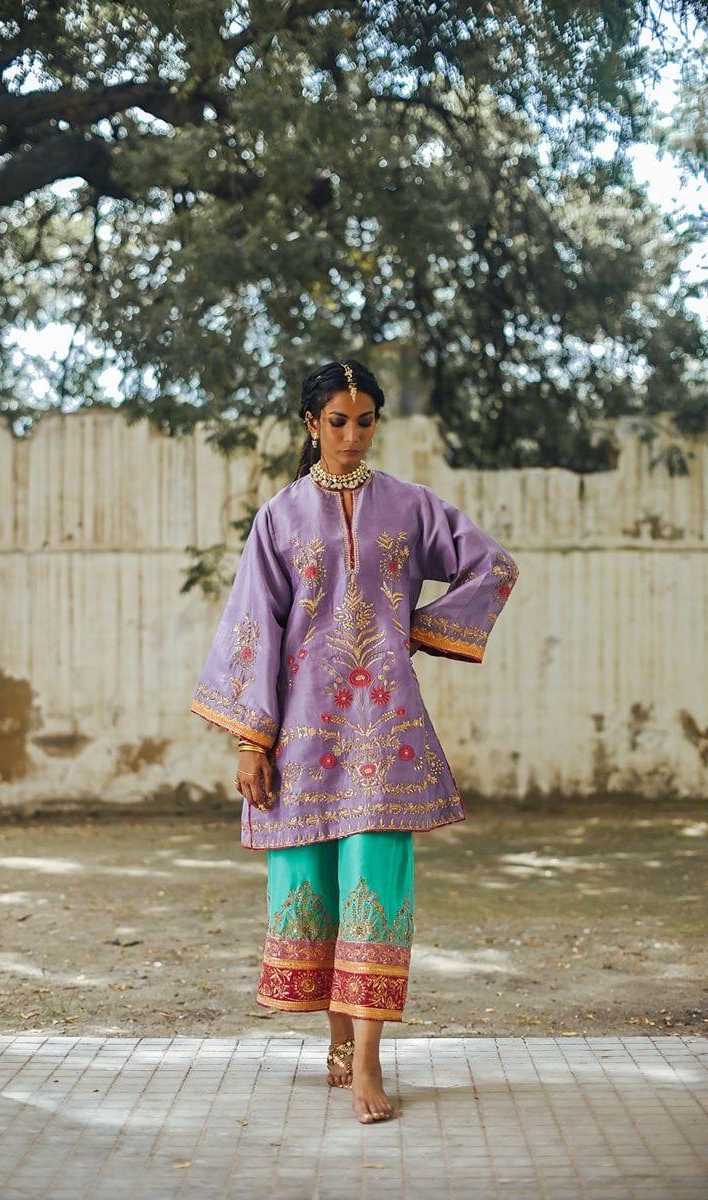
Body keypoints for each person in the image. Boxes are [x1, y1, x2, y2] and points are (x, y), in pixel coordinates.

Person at [190, 359, 519, 1123]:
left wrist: (421, 631)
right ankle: (338, 1045)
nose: (352, 435)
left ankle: (369, 1062)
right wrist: (249, 742)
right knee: (317, 891)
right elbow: (253, 625)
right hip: (300, 732)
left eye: (365, 420)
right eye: (337, 421)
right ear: (312, 424)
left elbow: (494, 566)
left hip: (384, 731)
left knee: (377, 889)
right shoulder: (280, 517)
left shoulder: (410, 506)